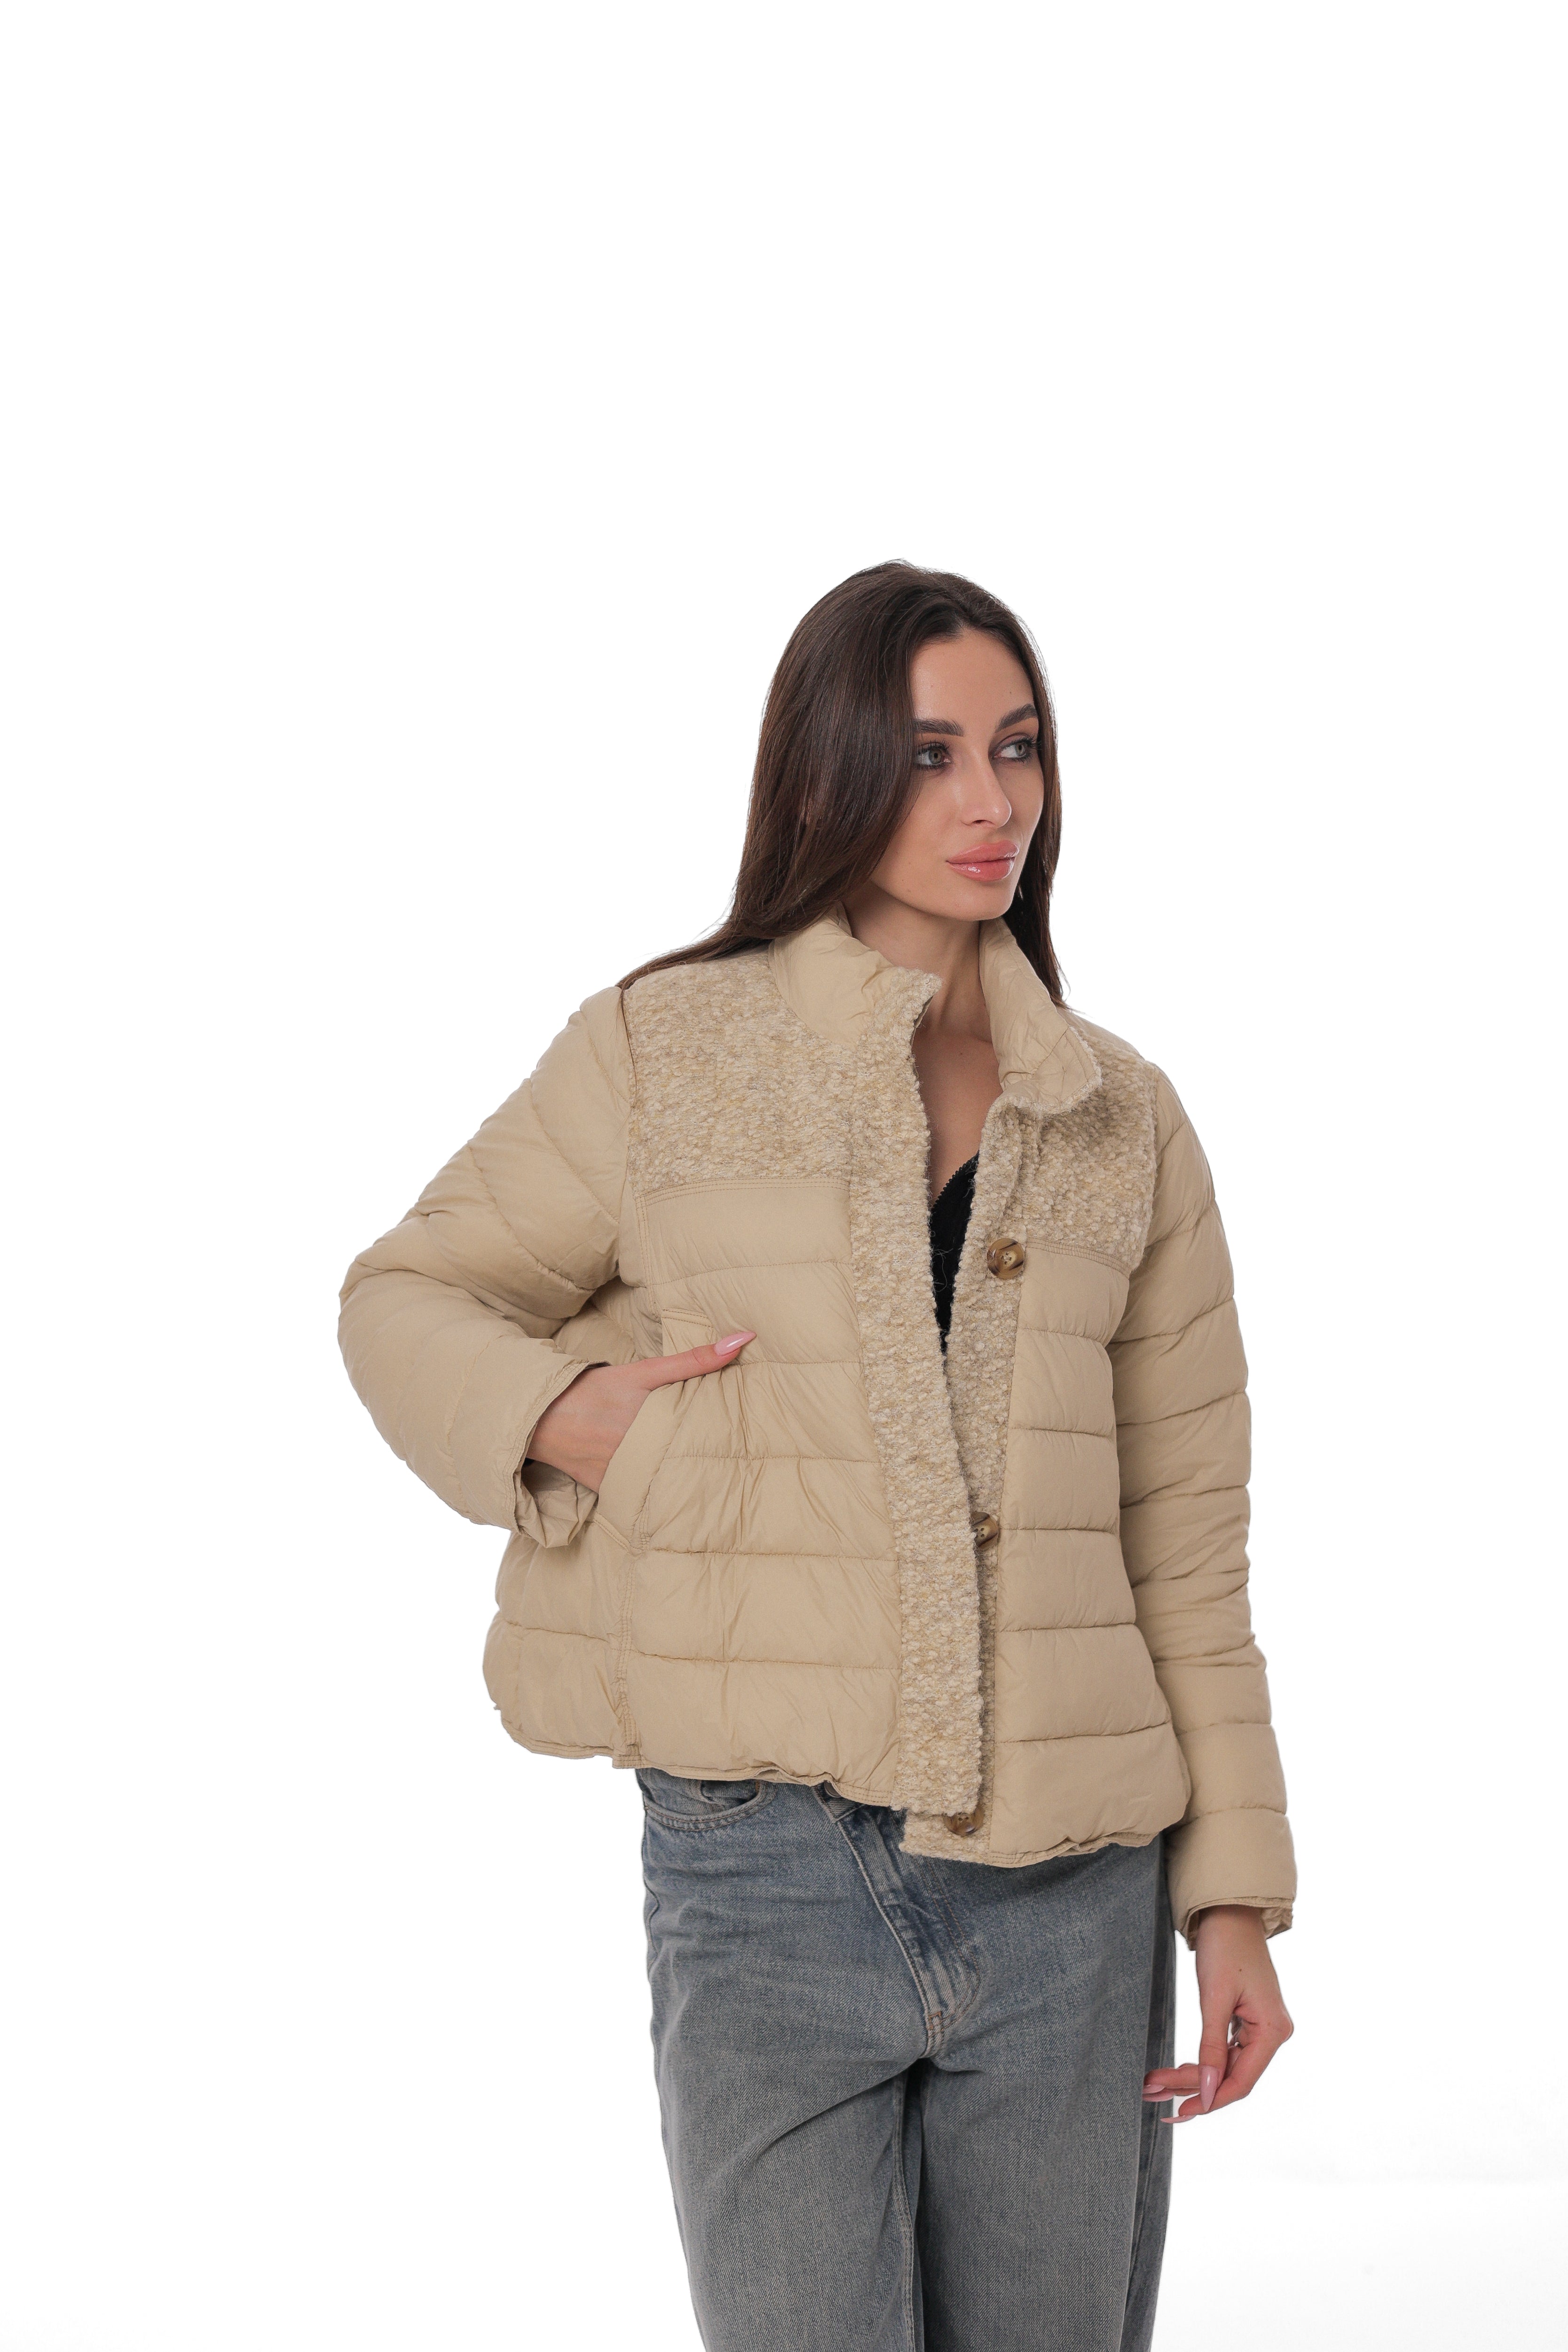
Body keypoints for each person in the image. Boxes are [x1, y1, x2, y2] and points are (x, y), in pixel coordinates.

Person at [338, 561, 1295, 2351]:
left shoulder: (1123, 1118)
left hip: (1073, 1888)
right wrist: (574, 1415)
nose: (992, 799)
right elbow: (406, 1297)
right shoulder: (665, 1050)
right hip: (760, 1865)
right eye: (931, 754)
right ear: (824, 772)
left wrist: (1232, 1896)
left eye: (1018, 746)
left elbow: (1186, 1539)